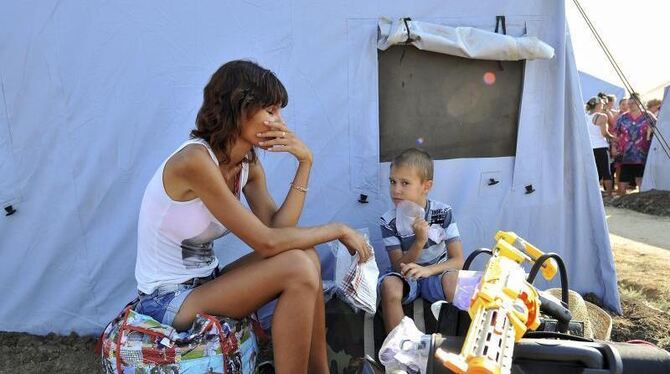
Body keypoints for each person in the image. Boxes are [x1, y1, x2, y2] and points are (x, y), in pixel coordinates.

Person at [133, 60, 371, 374]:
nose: (280, 122)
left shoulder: (247, 165)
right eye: (271, 110)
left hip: (208, 282)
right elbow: (268, 242)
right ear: (239, 108)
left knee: (306, 257)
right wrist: (337, 229)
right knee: (298, 266)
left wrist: (305, 163)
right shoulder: (195, 161)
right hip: (166, 300)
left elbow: (279, 230)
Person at [378, 148, 464, 333]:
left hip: (436, 274)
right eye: (392, 182)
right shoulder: (388, 221)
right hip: (406, 276)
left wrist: (427, 270)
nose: (396, 190)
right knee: (389, 286)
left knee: (455, 280)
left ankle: (453, 343)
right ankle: (398, 349)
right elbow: (396, 266)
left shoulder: (443, 213)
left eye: (405, 183)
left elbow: (458, 260)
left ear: (426, 186)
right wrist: (418, 242)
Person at [613, 93, 655, 196]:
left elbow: (657, 129)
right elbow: (616, 133)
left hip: (642, 154)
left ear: (639, 103)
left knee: (641, 179)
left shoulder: (648, 115)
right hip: (626, 155)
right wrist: (613, 147)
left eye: (633, 103)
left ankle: (641, 202)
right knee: (623, 180)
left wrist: (651, 130)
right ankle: (621, 201)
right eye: (629, 103)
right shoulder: (623, 117)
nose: (631, 105)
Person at [585, 97, 615, 196]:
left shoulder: (585, 116)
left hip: (589, 148)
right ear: (598, 105)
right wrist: (614, 138)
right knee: (606, 171)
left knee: (594, 172)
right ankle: (609, 194)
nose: (603, 105)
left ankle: (593, 194)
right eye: (602, 103)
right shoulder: (602, 116)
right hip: (601, 147)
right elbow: (604, 133)